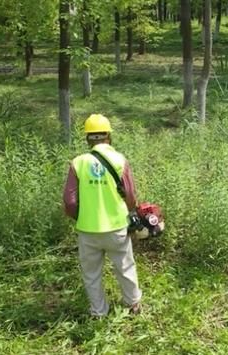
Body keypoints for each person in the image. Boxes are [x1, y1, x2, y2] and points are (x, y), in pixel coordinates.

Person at [63, 114, 142, 316]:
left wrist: (82, 217)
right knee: (125, 267)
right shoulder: (120, 160)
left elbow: (70, 202)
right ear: (108, 135)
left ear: (87, 138)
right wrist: (131, 213)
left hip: (88, 230)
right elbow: (131, 196)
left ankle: (99, 312)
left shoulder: (78, 163)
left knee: (91, 274)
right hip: (116, 227)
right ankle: (132, 305)